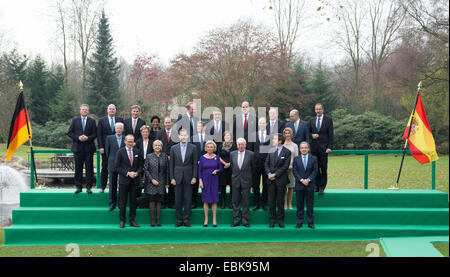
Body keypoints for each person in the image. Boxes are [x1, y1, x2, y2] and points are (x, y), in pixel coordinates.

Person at [170, 129, 198, 227]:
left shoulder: (193, 148)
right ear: (178, 136)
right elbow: (171, 165)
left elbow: (195, 164)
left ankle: (186, 219)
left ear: (187, 136)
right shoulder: (173, 148)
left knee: (188, 199)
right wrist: (172, 178)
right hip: (177, 177)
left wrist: (194, 177)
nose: (183, 137)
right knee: (177, 200)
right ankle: (179, 219)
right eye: (181, 135)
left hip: (189, 177)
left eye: (185, 135)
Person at [67, 104, 97, 194]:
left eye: (86, 110)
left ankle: (89, 187)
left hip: (89, 148)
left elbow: (95, 134)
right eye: (83, 109)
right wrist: (78, 137)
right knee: (78, 168)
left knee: (89, 169)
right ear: (80, 111)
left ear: (88, 111)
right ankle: (78, 187)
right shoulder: (75, 120)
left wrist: (87, 137)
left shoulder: (92, 121)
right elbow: (69, 133)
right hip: (77, 148)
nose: (84, 111)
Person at [115, 135, 143, 228]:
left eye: (132, 141)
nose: (130, 143)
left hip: (134, 181)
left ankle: (132, 220)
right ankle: (122, 220)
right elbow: (117, 167)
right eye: (129, 141)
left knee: (133, 202)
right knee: (122, 202)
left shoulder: (137, 151)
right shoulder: (120, 152)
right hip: (124, 181)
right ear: (125, 141)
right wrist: (127, 173)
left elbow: (140, 166)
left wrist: (137, 173)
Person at [264, 133, 291, 228]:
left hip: (281, 180)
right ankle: (271, 220)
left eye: (274, 139)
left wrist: (275, 174)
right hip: (271, 181)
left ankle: (280, 220)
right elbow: (266, 163)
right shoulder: (271, 150)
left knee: (280, 201)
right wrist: (268, 174)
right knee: (271, 201)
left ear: (280, 141)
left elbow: (285, 166)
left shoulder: (287, 152)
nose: (273, 140)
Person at [97, 104, 123, 193]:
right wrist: (100, 146)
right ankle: (102, 187)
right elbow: (99, 134)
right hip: (106, 149)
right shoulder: (101, 120)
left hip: (118, 148)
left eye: (113, 109)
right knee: (104, 167)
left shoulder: (120, 120)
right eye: (110, 109)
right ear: (107, 110)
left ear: (115, 110)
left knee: (121, 167)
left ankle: (120, 186)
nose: (112, 110)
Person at [308, 103, 333, 195]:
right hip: (314, 149)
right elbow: (308, 132)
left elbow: (331, 134)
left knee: (323, 168)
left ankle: (322, 187)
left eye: (319, 109)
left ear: (323, 110)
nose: (318, 111)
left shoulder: (328, 120)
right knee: (315, 168)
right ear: (315, 110)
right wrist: (312, 135)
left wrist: (329, 147)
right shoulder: (311, 120)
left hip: (324, 149)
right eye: (316, 109)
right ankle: (316, 186)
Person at [230, 138, 255, 227]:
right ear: (237, 145)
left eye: (242, 144)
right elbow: (232, 167)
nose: (240, 146)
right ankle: (236, 220)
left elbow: (253, 168)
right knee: (235, 201)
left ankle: (245, 220)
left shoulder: (251, 154)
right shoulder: (232, 154)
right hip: (235, 180)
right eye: (239, 144)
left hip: (246, 181)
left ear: (245, 145)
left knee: (246, 201)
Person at [144, 140, 169, 227]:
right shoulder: (149, 156)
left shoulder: (165, 156)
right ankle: (152, 220)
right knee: (151, 201)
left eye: (159, 145)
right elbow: (146, 170)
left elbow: (167, 170)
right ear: (153, 147)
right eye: (156, 145)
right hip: (151, 183)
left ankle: (158, 220)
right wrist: (152, 180)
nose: (157, 147)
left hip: (161, 183)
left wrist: (166, 182)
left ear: (161, 147)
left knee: (159, 201)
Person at [293, 141, 318, 229]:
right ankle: (299, 222)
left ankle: (310, 222)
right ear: (300, 149)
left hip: (310, 185)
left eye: (305, 147)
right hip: (299, 185)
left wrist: (308, 179)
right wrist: (301, 180)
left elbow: (315, 171)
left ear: (308, 148)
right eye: (302, 148)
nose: (304, 149)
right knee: (300, 205)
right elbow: (295, 171)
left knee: (310, 205)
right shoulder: (296, 159)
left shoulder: (313, 158)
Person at [198, 141, 222, 227]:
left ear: (214, 148)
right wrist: (200, 181)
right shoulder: (202, 158)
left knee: (214, 200)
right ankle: (206, 219)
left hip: (214, 180)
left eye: (211, 147)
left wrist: (217, 170)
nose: (209, 148)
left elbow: (220, 168)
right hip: (205, 180)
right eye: (208, 147)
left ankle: (214, 219)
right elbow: (199, 171)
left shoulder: (217, 157)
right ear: (206, 148)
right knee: (206, 200)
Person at [190, 121, 212, 209]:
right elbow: (191, 151)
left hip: (207, 164)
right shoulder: (192, 138)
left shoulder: (209, 138)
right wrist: (196, 160)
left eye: (200, 126)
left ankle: (208, 202)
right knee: (194, 184)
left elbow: (212, 150)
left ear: (204, 127)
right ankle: (193, 202)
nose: (199, 128)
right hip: (196, 163)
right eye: (197, 126)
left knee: (207, 183)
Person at [157, 117, 177, 209]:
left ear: (171, 123)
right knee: (163, 181)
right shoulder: (160, 133)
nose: (168, 124)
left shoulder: (176, 133)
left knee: (172, 181)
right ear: (164, 123)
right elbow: (156, 145)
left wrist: (172, 156)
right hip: (162, 160)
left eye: (169, 122)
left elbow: (177, 146)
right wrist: (164, 155)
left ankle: (172, 203)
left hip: (174, 160)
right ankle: (163, 202)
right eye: (166, 122)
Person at [104, 122, 125, 211]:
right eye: (117, 128)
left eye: (120, 128)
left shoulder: (126, 138)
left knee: (122, 184)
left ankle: (121, 203)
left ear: (123, 129)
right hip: (112, 164)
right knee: (112, 184)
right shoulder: (109, 138)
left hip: (123, 165)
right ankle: (112, 203)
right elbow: (107, 152)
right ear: (115, 129)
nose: (119, 130)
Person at [252, 117, 270, 211]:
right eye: (260, 123)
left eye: (263, 123)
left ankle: (264, 203)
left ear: (266, 124)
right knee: (255, 184)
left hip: (266, 164)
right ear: (258, 124)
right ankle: (256, 203)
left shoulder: (270, 136)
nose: (262, 124)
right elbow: (250, 150)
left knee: (266, 185)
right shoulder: (253, 135)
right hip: (255, 164)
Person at [135, 125, 154, 208]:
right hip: (139, 166)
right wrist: (141, 166)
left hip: (150, 167)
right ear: (141, 133)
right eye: (143, 132)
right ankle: (138, 203)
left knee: (148, 185)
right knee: (138, 185)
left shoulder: (152, 142)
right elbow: (136, 154)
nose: (145, 133)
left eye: (146, 132)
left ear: (149, 133)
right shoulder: (137, 142)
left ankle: (146, 203)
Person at [217, 131, 236, 209]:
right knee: (223, 186)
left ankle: (231, 202)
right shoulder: (220, 146)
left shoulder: (234, 146)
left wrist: (229, 164)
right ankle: (223, 202)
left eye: (229, 136)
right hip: (223, 168)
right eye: (226, 136)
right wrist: (225, 163)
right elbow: (218, 157)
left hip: (232, 168)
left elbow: (236, 155)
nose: (227, 137)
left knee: (232, 186)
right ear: (223, 137)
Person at [282, 127, 299, 210]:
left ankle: (290, 203)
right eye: (286, 133)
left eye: (289, 133)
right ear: (284, 135)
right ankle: (285, 204)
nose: (287, 135)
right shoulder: (281, 145)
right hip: (283, 170)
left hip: (291, 169)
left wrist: (292, 167)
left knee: (291, 187)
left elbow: (296, 158)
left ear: (291, 134)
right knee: (284, 187)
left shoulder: (295, 145)